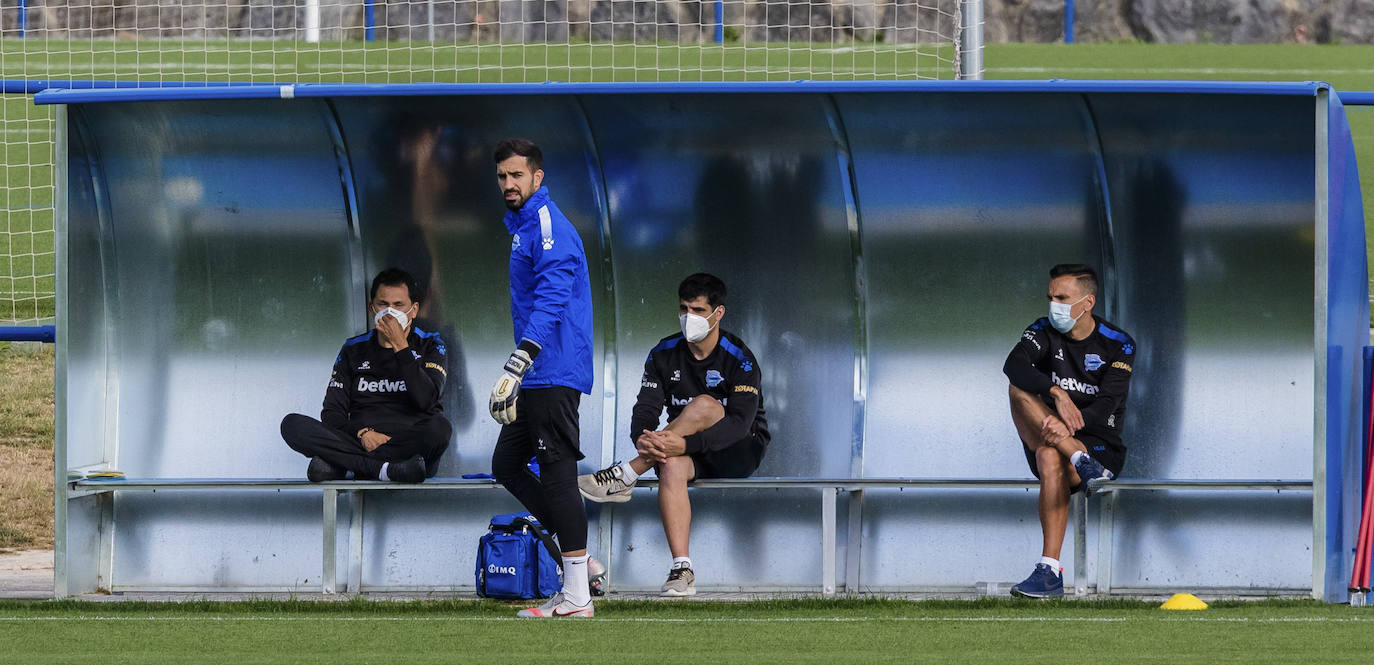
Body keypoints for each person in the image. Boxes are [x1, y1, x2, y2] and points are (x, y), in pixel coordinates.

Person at [578, 273, 769, 597]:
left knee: (705, 405)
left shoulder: (739, 357)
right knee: (670, 465)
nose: (688, 318)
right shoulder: (663, 353)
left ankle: (629, 472)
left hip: (741, 448)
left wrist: (685, 443)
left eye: (697, 310)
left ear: (718, 313)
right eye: (683, 309)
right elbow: (646, 408)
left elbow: (739, 423)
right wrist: (642, 435)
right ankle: (682, 570)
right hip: (682, 450)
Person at [486, 138, 598, 618]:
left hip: (552, 372)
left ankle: (577, 596)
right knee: (507, 465)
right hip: (537, 373)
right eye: (501, 177)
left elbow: (553, 296)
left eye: (516, 175)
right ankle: (582, 562)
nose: (508, 184)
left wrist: (520, 359)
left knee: (558, 479)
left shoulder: (548, 224)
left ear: (537, 177)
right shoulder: (524, 225)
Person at [1003, 264, 1137, 598]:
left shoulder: (1119, 344)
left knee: (1049, 453)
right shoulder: (1044, 330)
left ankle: (1049, 571)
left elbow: (1107, 404)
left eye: (1062, 298)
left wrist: (1063, 426)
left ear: (1087, 302)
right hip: (1057, 438)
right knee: (1017, 387)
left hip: (1100, 446)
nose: (1054, 305)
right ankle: (1078, 458)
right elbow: (1013, 364)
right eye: (1051, 297)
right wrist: (1056, 394)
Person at [281, 268, 451, 483]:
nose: (390, 312)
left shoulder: (431, 345)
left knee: (440, 428)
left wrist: (400, 346)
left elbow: (427, 400)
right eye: (383, 304)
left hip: (409, 445)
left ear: (414, 310)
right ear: (372, 308)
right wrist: (363, 433)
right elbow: (332, 414)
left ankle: (343, 463)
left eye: (398, 305)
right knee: (292, 425)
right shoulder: (353, 349)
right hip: (360, 439)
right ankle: (386, 470)